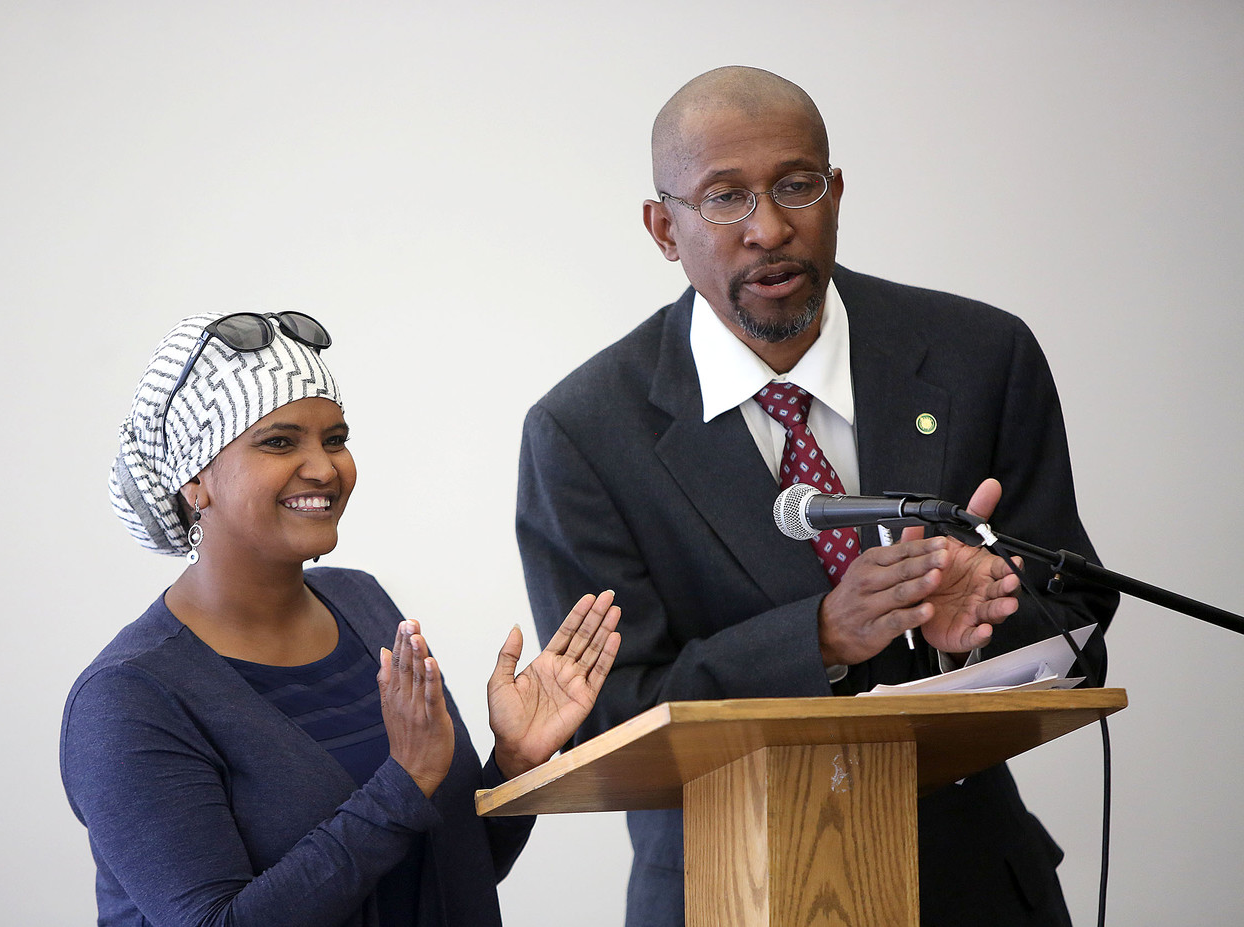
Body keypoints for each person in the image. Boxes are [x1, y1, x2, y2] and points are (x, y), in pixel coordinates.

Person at [516, 67, 1118, 927]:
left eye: (796, 186)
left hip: (974, 889)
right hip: (725, 893)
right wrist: (823, 637)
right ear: (663, 228)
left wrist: (972, 634)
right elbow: (604, 714)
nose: (769, 228)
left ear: (836, 193)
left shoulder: (979, 354)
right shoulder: (584, 431)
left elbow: (1080, 615)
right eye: (725, 197)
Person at [61, 310, 621, 927]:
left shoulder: (362, 604)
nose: (325, 469)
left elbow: (447, 876)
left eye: (334, 438)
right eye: (279, 441)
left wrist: (515, 765)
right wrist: (403, 784)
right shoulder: (127, 698)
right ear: (195, 478)